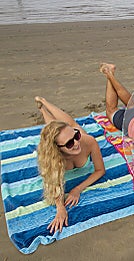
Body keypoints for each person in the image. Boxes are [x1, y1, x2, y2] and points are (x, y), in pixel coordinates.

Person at [35, 97, 105, 234]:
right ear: (57, 149)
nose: (76, 143)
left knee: (71, 123)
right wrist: (60, 208)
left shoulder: (88, 141)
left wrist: (77, 189)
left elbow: (100, 170)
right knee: (52, 127)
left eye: (76, 136)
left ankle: (44, 101)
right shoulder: (52, 159)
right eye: (69, 143)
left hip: (75, 136)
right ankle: (42, 109)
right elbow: (53, 184)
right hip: (57, 148)